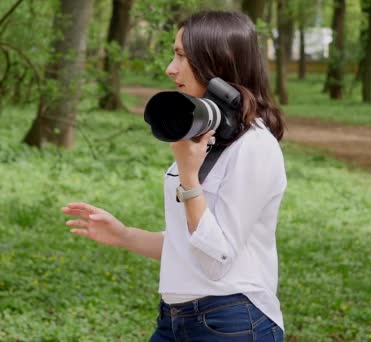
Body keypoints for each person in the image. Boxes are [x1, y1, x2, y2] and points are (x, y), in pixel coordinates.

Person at [62, 10, 286, 341]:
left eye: (181, 55)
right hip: (175, 319)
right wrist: (125, 235)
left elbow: (216, 261)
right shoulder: (208, 139)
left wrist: (189, 177)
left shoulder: (254, 147)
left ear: (217, 63)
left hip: (233, 320)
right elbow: (192, 245)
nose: (170, 68)